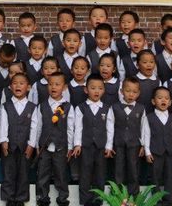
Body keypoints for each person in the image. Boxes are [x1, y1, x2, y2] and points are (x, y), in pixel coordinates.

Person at [28, 72, 75, 206]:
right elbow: (38, 127)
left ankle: (63, 198)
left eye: (57, 84)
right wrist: (37, 145)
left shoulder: (68, 107)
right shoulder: (42, 106)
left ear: (64, 87)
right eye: (50, 84)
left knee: (61, 173)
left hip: (61, 146)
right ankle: (42, 198)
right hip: (44, 147)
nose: (53, 87)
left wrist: (70, 147)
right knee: (43, 173)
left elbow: (70, 128)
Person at [73, 74, 115, 206]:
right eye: (93, 88)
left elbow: (110, 128)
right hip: (86, 146)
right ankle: (85, 201)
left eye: (100, 88)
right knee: (85, 173)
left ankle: (98, 200)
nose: (96, 91)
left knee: (100, 174)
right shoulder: (80, 107)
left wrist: (109, 146)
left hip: (101, 147)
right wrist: (77, 144)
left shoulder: (107, 108)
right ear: (86, 90)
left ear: (104, 90)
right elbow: (78, 127)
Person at [0, 72, 35, 206]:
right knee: (8, 172)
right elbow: (3, 124)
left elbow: (34, 127)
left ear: (28, 87)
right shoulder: (5, 106)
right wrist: (4, 141)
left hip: (25, 146)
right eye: (14, 83)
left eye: (21, 83)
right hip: (10, 145)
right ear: (10, 87)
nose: (18, 86)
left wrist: (31, 145)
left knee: (23, 173)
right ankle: (9, 198)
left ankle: (20, 199)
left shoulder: (32, 107)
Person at [141, 87, 172, 206]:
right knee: (155, 177)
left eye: (166, 98)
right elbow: (146, 135)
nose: (163, 100)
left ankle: (168, 201)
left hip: (170, 152)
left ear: (170, 102)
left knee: (169, 177)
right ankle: (155, 201)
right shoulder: (149, 118)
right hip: (155, 152)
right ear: (153, 101)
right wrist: (147, 152)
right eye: (160, 97)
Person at [111, 76, 145, 197]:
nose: (131, 94)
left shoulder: (141, 108)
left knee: (133, 169)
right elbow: (110, 126)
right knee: (118, 169)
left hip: (134, 144)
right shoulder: (114, 107)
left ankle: (134, 196)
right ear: (121, 91)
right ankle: (117, 196)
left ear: (138, 93)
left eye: (134, 92)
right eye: (128, 91)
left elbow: (143, 128)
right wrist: (109, 145)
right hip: (118, 143)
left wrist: (143, 145)